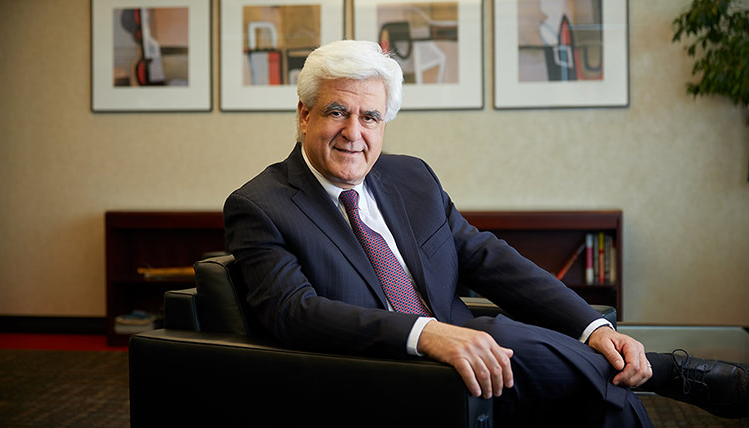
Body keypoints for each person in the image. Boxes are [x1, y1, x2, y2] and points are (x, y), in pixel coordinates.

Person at [223, 40, 748, 426]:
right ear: (303, 114)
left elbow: (484, 256)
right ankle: (667, 372)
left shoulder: (410, 177)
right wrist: (427, 334)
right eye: (337, 111)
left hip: (477, 350)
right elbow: (293, 313)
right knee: (578, 373)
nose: (354, 133)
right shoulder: (260, 205)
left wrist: (594, 329)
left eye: (370, 116)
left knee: (601, 394)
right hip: (383, 373)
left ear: (385, 124)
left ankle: (637, 364)